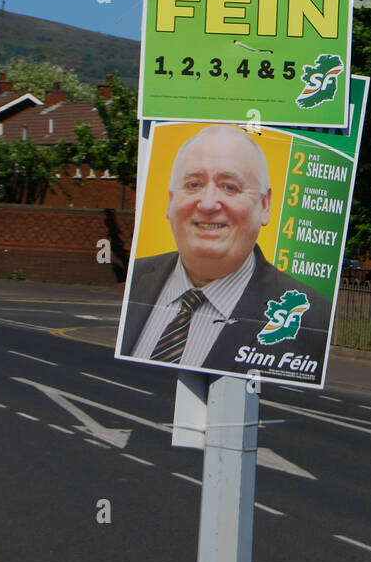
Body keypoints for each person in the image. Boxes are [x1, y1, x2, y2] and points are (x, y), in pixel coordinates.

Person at [118, 124, 330, 375]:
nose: (207, 204)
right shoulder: (132, 281)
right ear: (170, 201)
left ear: (264, 204)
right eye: (194, 184)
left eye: (230, 187)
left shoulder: (313, 320)